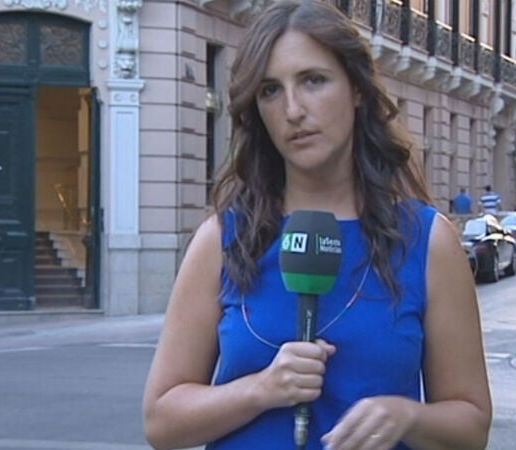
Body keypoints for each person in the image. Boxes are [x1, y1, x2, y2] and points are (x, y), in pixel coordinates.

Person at [142, 1, 491, 449]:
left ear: (357, 89)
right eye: (270, 90)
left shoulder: (426, 242)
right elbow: (162, 421)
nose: (293, 110)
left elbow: (472, 427)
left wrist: (407, 416)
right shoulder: (223, 239)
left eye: (313, 80)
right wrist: (261, 389)